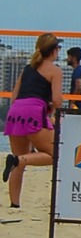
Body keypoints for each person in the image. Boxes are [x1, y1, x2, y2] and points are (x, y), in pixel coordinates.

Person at [5, 33, 65, 208]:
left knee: (19, 160)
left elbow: (14, 97)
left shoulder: (27, 69)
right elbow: (57, 100)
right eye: (58, 48)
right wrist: (51, 109)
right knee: (55, 155)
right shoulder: (55, 70)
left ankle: (14, 204)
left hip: (15, 112)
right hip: (34, 111)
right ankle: (18, 160)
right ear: (53, 51)